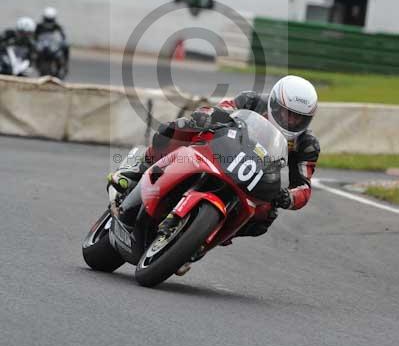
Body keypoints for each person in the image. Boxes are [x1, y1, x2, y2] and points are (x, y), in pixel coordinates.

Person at [108, 76, 320, 269]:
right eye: (287, 113)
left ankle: (197, 242)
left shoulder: (306, 145)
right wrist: (206, 117)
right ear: (274, 103)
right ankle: (138, 169)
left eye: (298, 118)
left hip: (255, 180)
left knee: (265, 217)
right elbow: (222, 109)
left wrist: (288, 197)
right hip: (222, 150)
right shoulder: (251, 101)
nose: (291, 121)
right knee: (179, 127)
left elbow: (304, 187)